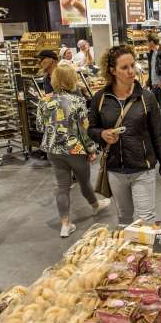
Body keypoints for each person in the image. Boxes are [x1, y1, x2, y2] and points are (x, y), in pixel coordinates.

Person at [88, 45, 161, 226]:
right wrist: (102, 134)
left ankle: (147, 253)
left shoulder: (146, 97)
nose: (130, 71)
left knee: (146, 220)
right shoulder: (100, 98)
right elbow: (91, 129)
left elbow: (158, 135)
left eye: (132, 65)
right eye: (124, 67)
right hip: (115, 170)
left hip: (143, 168)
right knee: (124, 219)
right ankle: (129, 255)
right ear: (112, 71)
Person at [36, 64, 111, 237]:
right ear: (72, 80)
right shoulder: (77, 101)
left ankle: (65, 224)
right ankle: (95, 205)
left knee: (61, 186)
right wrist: (91, 149)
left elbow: (40, 127)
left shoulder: (44, 100)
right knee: (84, 181)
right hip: (75, 149)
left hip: (53, 149)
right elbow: (84, 129)